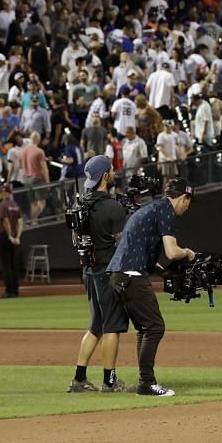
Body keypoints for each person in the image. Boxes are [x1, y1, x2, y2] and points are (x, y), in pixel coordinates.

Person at [105, 175, 198, 396]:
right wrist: (188, 253)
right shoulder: (165, 210)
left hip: (118, 274)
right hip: (131, 274)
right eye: (189, 202)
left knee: (144, 329)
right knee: (155, 327)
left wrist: (162, 271)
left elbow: (140, 247)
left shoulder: (151, 209)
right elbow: (172, 252)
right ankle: (146, 383)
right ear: (184, 197)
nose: (188, 207)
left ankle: (144, 381)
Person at [66, 156, 129, 393]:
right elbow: (122, 242)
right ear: (105, 176)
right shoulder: (113, 207)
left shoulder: (81, 203)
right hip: (107, 271)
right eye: (111, 170)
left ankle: (79, 379)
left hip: (89, 271)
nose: (113, 173)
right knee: (112, 327)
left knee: (96, 327)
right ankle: (109, 381)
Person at [0, 181, 23, 298]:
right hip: (14, 238)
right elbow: (20, 222)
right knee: (13, 264)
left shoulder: (2, 205)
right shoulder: (15, 205)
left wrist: (10, 236)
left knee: (6, 265)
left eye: (1, 192)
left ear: (5, 192)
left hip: (4, 236)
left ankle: (9, 291)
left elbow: (5, 221)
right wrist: (17, 237)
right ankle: (15, 290)